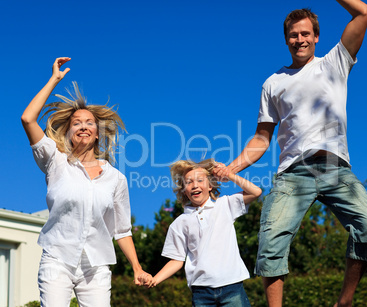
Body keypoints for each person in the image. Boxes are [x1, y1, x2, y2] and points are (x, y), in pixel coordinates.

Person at [214, 1, 367, 306]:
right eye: (293, 35)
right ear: (286, 39)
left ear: (316, 36)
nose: (299, 39)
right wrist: (231, 167)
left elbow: (363, 12)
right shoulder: (273, 83)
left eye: (305, 33)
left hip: (335, 167)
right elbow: (261, 138)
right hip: (292, 173)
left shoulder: (335, 63)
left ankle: (344, 301)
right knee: (270, 241)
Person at [21, 57, 151, 306]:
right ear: (68, 132)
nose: (83, 126)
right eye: (76, 123)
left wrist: (137, 267)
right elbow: (28, 119)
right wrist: (54, 80)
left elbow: (122, 230)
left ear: (98, 132)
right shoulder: (54, 160)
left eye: (89, 123)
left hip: (96, 266)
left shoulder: (116, 178)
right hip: (57, 258)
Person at [148, 159, 262, 306]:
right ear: (184, 190)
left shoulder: (225, 205)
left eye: (200, 180)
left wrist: (229, 175)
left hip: (232, 286)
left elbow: (256, 192)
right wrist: (155, 279)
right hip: (201, 293)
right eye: (188, 182)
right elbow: (176, 260)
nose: (195, 185)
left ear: (210, 185)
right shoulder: (179, 223)